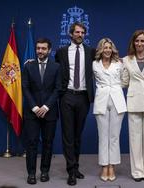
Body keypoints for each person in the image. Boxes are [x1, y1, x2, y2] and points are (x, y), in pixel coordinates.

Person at [55, 22, 95, 186]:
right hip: (67, 97)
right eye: (77, 32)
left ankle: (76, 167)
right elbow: (55, 72)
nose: (80, 35)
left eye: (82, 32)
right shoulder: (61, 52)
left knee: (77, 135)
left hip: (83, 97)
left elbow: (108, 59)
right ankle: (71, 171)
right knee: (68, 136)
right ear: (70, 34)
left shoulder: (90, 51)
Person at [22, 38, 60, 185]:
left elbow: (58, 88)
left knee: (48, 143)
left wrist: (45, 107)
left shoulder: (56, 67)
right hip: (32, 112)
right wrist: (35, 107)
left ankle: (45, 171)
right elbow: (25, 88)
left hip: (49, 112)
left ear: (49, 50)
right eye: (38, 48)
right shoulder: (28, 66)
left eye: (43, 48)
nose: (40, 51)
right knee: (31, 143)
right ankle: (31, 173)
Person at [122, 30, 144, 182]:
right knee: (135, 138)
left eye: (142, 41)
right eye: (137, 41)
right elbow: (124, 82)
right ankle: (137, 172)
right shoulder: (126, 60)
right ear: (133, 42)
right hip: (134, 101)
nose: (139, 44)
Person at [93, 38, 127, 182]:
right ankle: (104, 166)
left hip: (117, 101)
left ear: (112, 49)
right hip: (101, 101)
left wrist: (117, 87)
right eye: (104, 47)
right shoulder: (94, 64)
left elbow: (125, 80)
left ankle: (112, 166)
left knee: (114, 136)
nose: (107, 50)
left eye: (109, 47)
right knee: (103, 136)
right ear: (100, 49)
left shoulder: (119, 63)